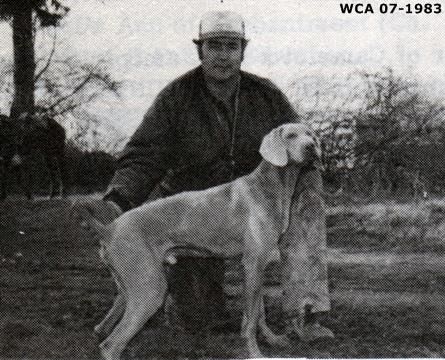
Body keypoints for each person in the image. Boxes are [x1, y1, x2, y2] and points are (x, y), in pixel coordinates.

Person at [88, 10, 334, 340]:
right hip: (195, 211)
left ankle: (305, 312)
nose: (222, 55)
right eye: (213, 45)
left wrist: (309, 170)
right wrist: (118, 199)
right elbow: (144, 155)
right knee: (198, 321)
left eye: (231, 46)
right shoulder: (175, 97)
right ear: (199, 50)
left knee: (308, 192)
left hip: (257, 201)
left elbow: (299, 143)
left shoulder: (266, 95)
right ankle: (173, 299)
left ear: (243, 51)